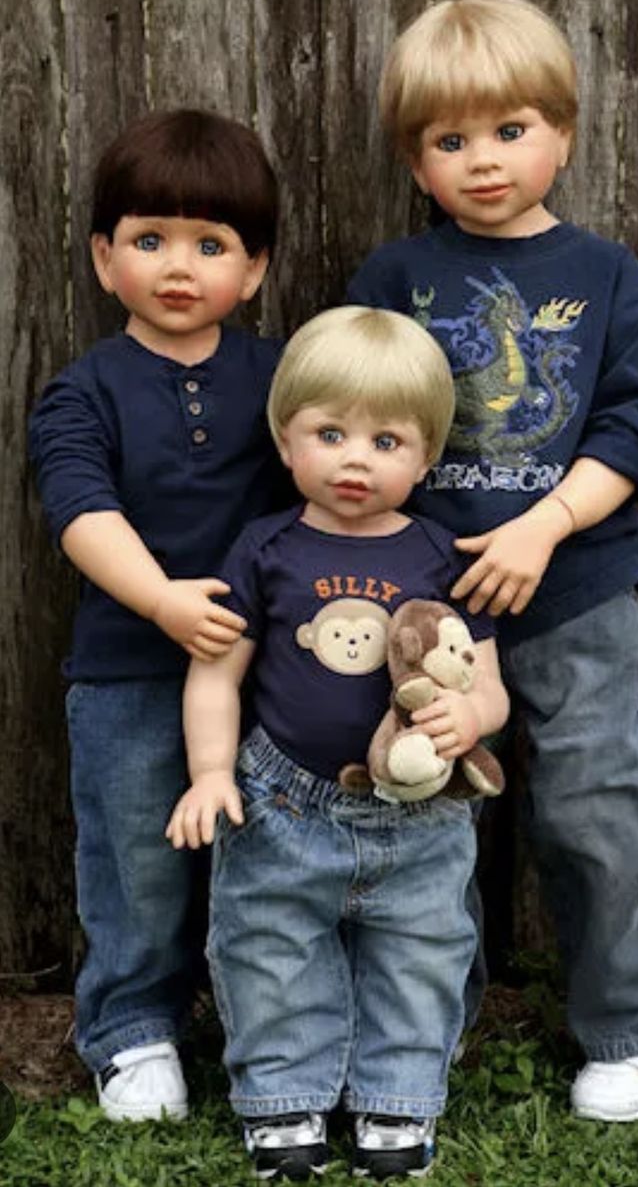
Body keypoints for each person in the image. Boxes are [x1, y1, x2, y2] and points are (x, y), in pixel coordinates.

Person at [346, 0, 638, 1124]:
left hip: (576, 587)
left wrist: (546, 523)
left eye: (510, 129)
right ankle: (415, 1032)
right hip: (428, 604)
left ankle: (635, 1028)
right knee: (421, 806)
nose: (483, 160)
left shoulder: (606, 279)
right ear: (416, 158)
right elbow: (357, 415)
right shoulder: (395, 281)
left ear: (564, 132)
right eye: (449, 140)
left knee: (596, 805)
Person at [166, 305, 510, 1180]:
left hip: (423, 811)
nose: (356, 459)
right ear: (287, 441)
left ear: (428, 456)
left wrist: (471, 720)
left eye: (387, 441)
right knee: (269, 947)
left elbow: (489, 682)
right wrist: (210, 771)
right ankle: (285, 1102)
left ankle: (397, 1101)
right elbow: (216, 673)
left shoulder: (442, 555)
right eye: (331, 433)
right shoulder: (264, 548)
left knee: (422, 952)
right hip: (285, 799)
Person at [28, 108, 290, 1122]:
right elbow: (81, 511)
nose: (177, 265)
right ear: (104, 257)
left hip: (268, 669)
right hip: (129, 666)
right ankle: (133, 1026)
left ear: (253, 269)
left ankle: (270, 1019)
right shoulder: (84, 389)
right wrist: (162, 599)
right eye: (149, 239)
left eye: (210, 244)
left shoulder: (278, 380)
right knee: (138, 854)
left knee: (267, 845)